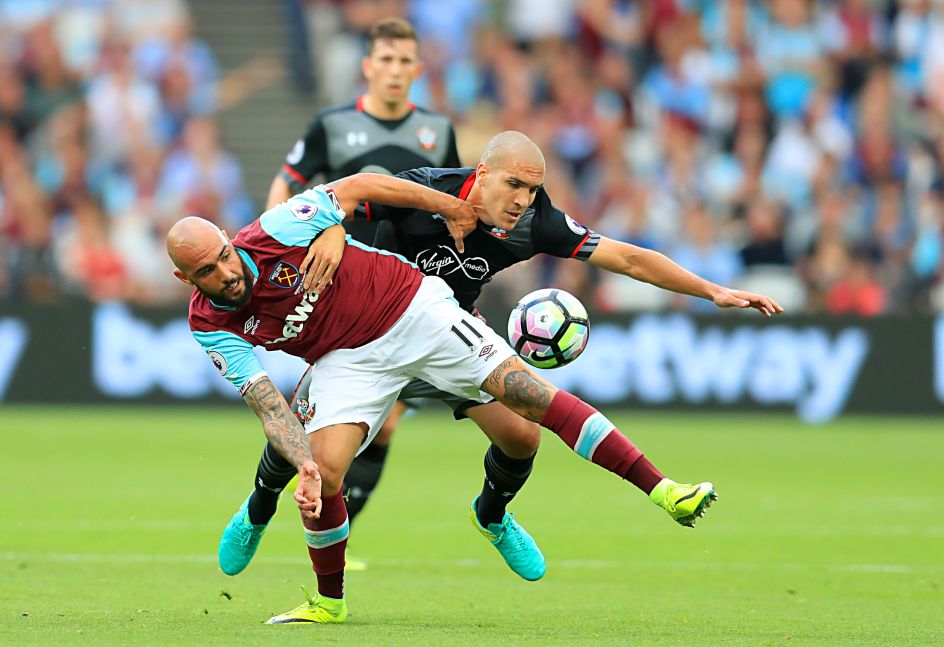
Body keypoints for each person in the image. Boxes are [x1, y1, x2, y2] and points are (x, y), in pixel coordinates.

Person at [170, 141, 781, 625]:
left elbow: (627, 258)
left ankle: (656, 491)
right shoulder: (212, 319)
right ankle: (321, 591)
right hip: (344, 358)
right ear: (184, 278)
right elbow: (265, 398)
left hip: (419, 313)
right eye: (207, 271)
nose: (225, 272)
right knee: (317, 469)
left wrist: (711, 291)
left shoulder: (537, 222)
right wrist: (336, 224)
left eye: (224, 255)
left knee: (526, 420)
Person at [259, 17, 461, 559]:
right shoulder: (332, 124)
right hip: (341, 293)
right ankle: (258, 507)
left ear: (418, 70)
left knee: (385, 424)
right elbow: (290, 180)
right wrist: (271, 228)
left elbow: (444, 199)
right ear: (368, 66)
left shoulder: (438, 131)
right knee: (309, 412)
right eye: (385, 61)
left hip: (404, 293)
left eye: (404, 62)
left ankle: (340, 534)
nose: (394, 71)